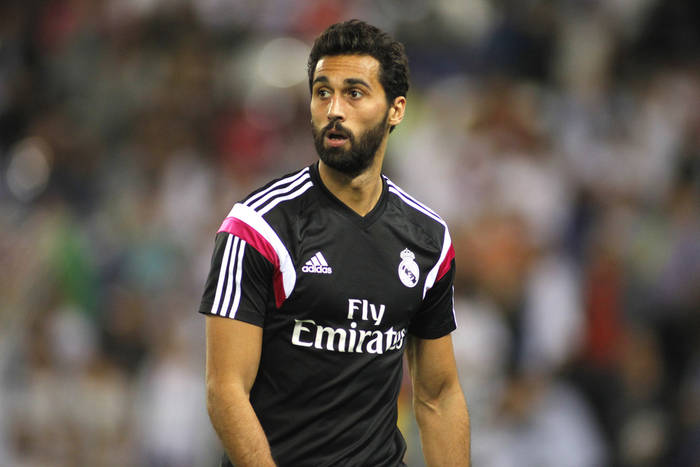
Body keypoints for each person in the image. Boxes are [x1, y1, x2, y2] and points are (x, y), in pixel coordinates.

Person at [199, 19, 470, 466]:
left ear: (396, 110)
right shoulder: (259, 228)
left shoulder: (428, 240)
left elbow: (438, 394)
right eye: (322, 92)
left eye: (354, 93)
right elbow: (225, 391)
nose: (333, 110)